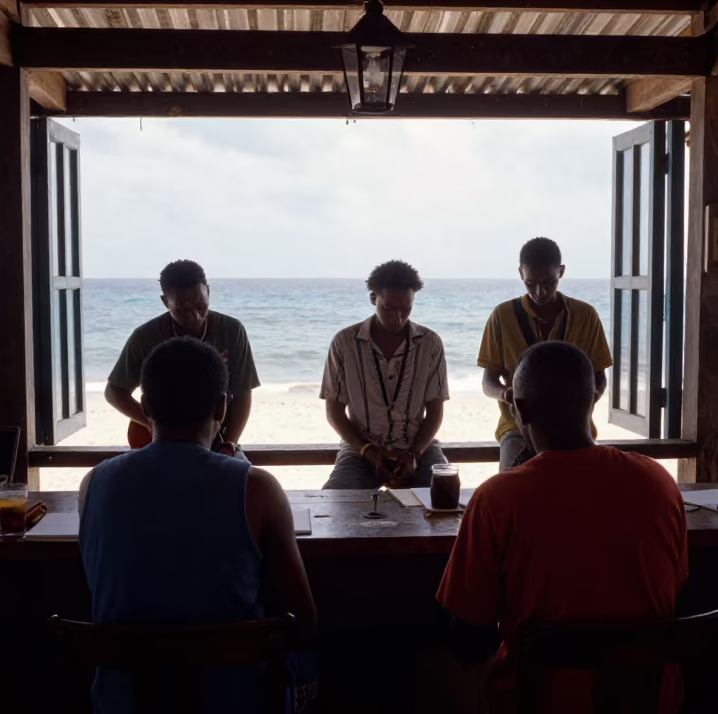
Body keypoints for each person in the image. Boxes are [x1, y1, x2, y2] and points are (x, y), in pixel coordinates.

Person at [436, 341, 688, 713]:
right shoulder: (657, 480)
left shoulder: (498, 498)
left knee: (429, 672)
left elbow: (468, 635)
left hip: (538, 699)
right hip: (650, 699)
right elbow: (677, 588)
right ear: (591, 401)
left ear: (519, 409)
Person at [80, 337, 317, 714]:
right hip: (237, 699)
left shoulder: (95, 483)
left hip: (125, 700)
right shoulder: (256, 488)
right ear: (222, 406)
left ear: (144, 407)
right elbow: (304, 623)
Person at [479, 237, 612, 472]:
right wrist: (507, 395)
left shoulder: (586, 315)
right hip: (519, 429)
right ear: (520, 274)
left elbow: (599, 378)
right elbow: (488, 382)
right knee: (511, 494)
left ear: (561, 272)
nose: (540, 291)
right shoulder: (501, 316)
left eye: (549, 282)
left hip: (575, 431)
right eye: (531, 283)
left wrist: (582, 406)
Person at [105, 260, 259, 457]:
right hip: (156, 441)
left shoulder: (231, 331)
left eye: (200, 305)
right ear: (165, 301)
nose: (194, 316)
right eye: (182, 309)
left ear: (208, 292)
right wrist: (151, 423)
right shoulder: (145, 337)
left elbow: (242, 393)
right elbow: (114, 391)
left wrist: (230, 443)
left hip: (214, 440)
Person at [319, 260, 450, 490]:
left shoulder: (430, 343)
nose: (398, 317)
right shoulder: (344, 343)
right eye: (389, 308)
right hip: (361, 449)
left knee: (445, 496)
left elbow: (435, 411)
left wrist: (413, 454)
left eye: (406, 309)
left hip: (417, 447)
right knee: (334, 503)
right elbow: (334, 412)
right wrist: (367, 451)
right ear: (373, 298)